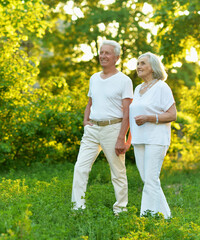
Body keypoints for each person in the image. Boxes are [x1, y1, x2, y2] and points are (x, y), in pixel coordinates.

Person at [71, 40, 133, 215]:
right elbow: (90, 103)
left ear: (117, 57)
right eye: (101, 52)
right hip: (92, 130)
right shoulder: (94, 78)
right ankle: (78, 209)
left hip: (113, 129)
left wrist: (122, 137)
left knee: (118, 172)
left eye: (107, 53)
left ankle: (120, 210)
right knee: (80, 168)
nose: (103, 56)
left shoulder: (124, 80)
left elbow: (127, 111)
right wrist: (85, 121)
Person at [129, 52, 177, 219]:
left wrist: (150, 118)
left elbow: (172, 115)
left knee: (150, 179)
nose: (139, 66)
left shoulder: (162, 87)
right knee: (148, 180)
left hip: (156, 139)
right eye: (138, 63)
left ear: (153, 67)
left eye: (143, 63)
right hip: (139, 139)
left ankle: (146, 218)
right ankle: (165, 216)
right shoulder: (138, 89)